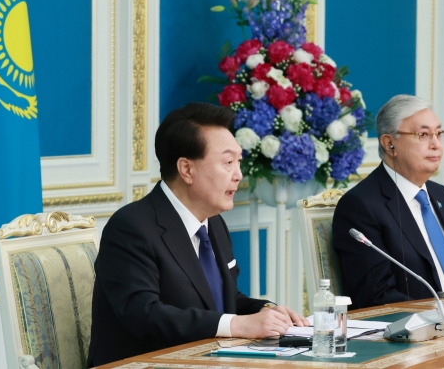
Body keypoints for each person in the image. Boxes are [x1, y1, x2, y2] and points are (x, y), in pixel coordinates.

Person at [88, 102, 308, 366]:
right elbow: (144, 315)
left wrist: (268, 312)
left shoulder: (213, 223)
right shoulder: (131, 227)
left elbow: (224, 301)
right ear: (186, 169)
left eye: (238, 162)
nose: (238, 175)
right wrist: (239, 325)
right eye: (227, 162)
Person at [333, 95, 444, 310]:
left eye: (439, 134)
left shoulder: (441, 195)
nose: (436, 144)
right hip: (428, 329)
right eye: (423, 134)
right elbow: (377, 297)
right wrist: (443, 317)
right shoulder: (361, 206)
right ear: (390, 144)